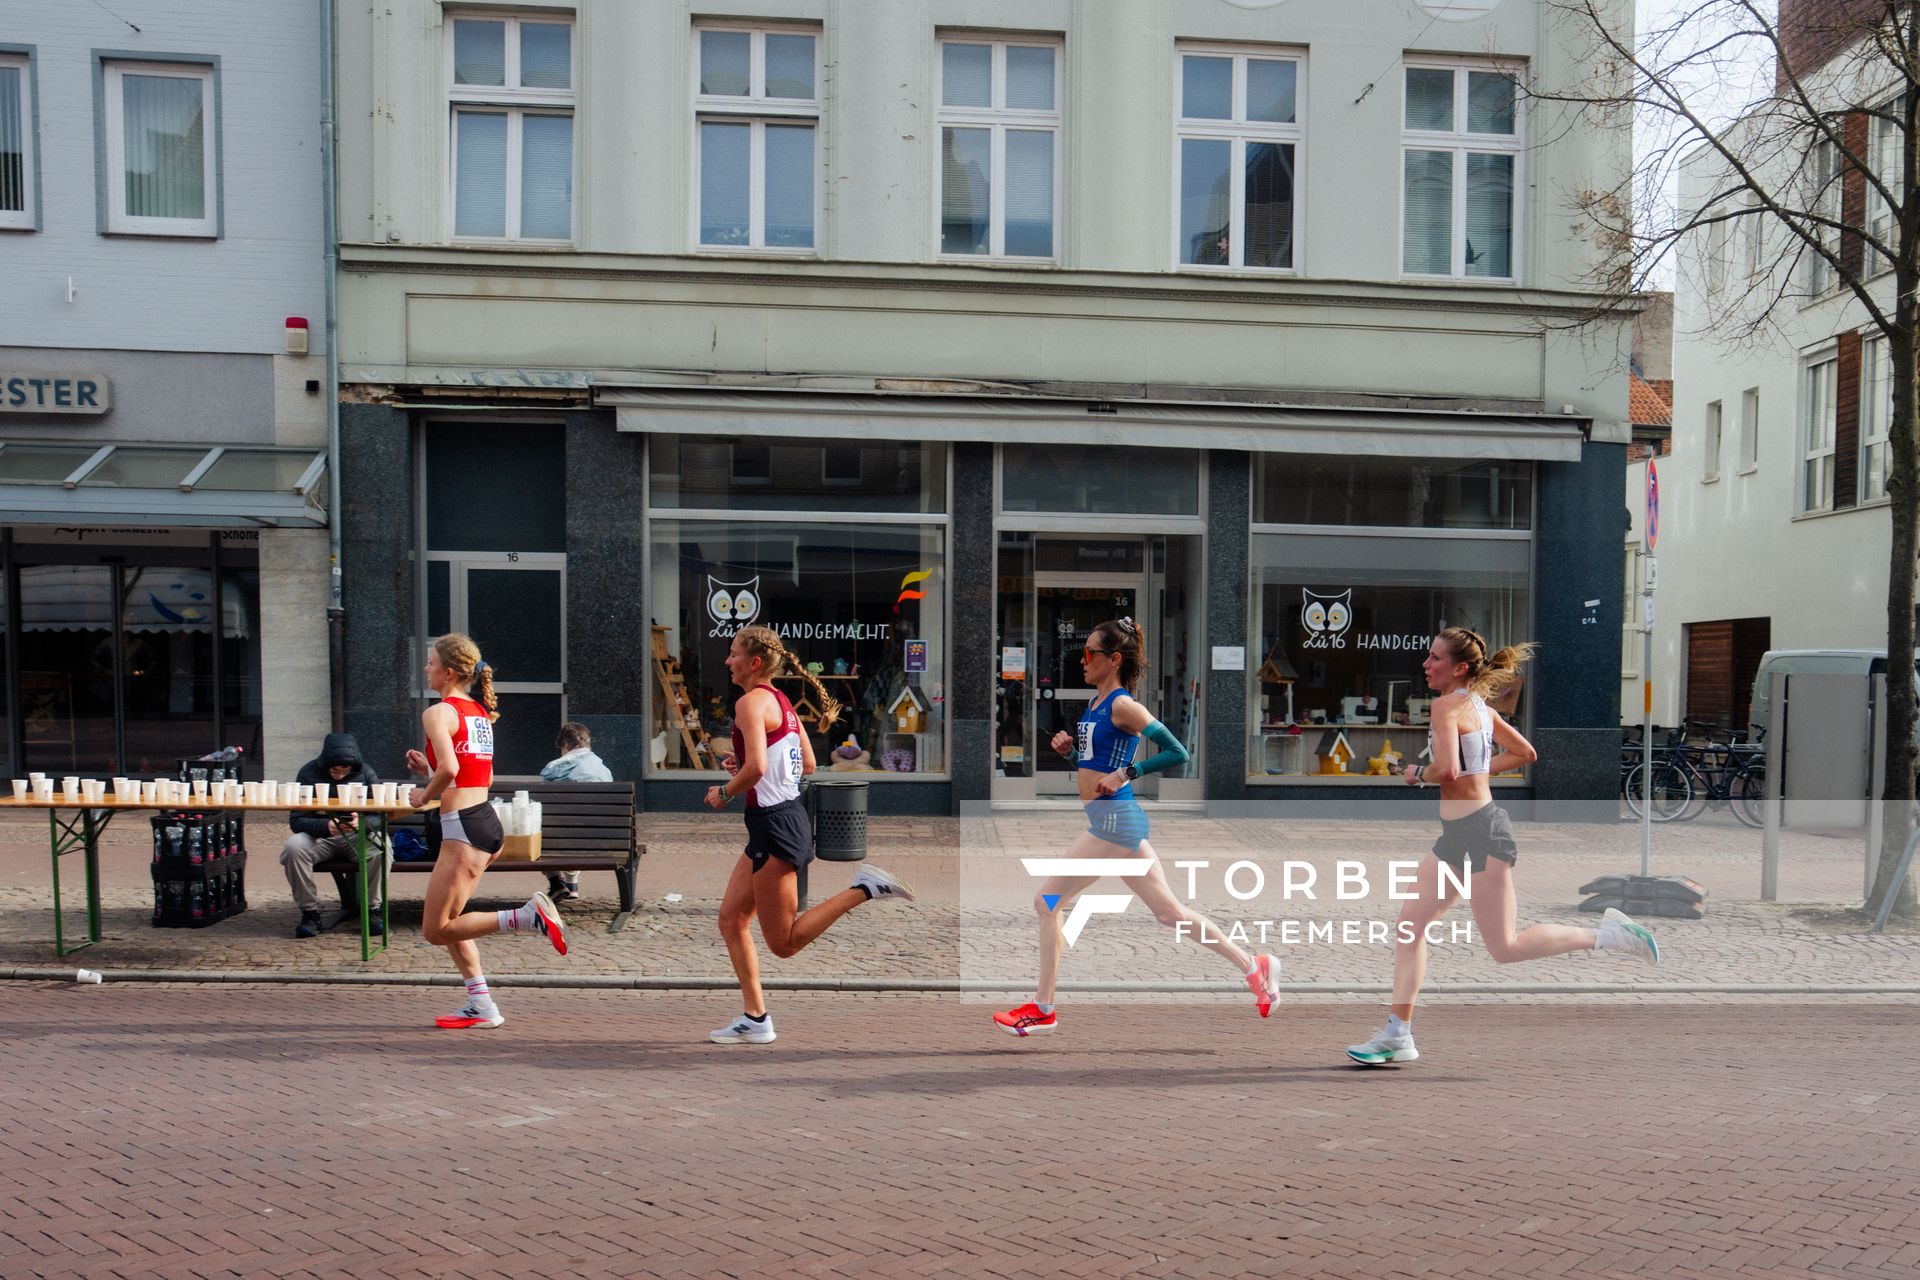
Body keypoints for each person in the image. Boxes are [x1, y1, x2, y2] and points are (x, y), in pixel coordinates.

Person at [1344, 629, 1659, 1067]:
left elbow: (1448, 770)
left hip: (1483, 835)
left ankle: (1613, 935)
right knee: (1409, 928)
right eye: (1428, 657)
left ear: (1460, 668)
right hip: (1455, 838)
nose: (1426, 664)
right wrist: (1477, 769)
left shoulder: (1446, 706)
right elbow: (1525, 753)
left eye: (1435, 658)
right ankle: (1398, 1034)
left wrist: (1417, 771)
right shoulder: (1479, 708)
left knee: (1505, 948)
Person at [994, 617, 1280, 1037]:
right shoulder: (1095, 704)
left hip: (1115, 822)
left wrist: (1129, 773)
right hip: (1113, 820)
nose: (1082, 661)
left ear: (1113, 659)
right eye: (1082, 653)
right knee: (1171, 914)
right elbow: (1096, 770)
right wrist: (1071, 755)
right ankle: (1254, 967)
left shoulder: (1124, 705)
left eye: (1089, 653)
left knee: (1047, 902)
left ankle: (1043, 1008)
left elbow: (1176, 751)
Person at [705, 624, 916, 1046]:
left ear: (755, 662)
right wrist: (744, 762)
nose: (728, 661)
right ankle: (755, 1017)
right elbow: (807, 765)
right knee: (731, 918)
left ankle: (865, 888)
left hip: (775, 826)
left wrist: (725, 791)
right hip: (778, 820)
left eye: (733, 654)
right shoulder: (780, 701)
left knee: (784, 943)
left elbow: (760, 771)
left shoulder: (750, 702)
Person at [402, 634, 567, 1031]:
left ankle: (528, 917)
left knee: (435, 929)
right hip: (483, 820)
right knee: (453, 919)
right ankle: (482, 1004)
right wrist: (431, 769)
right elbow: (481, 774)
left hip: (463, 829)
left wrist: (421, 795)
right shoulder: (477, 710)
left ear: (449, 672)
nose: (426, 669)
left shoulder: (438, 712)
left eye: (430, 663)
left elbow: (451, 772)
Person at [279, 732, 387, 939]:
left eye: (345, 771)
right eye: (335, 770)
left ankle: (373, 910)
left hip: (356, 838)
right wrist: (326, 826)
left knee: (382, 845)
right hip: (320, 839)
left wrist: (362, 824)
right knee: (294, 847)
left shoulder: (366, 773)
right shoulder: (308, 773)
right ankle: (309, 913)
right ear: (325, 763)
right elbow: (297, 820)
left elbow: (380, 817)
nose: (339, 776)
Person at [539, 722, 613, 902]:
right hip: (603, 839)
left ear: (565, 744)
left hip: (558, 839)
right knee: (577, 827)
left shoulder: (553, 769)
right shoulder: (603, 770)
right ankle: (572, 883)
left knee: (538, 829)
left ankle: (556, 881)